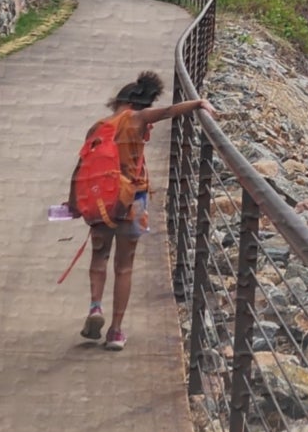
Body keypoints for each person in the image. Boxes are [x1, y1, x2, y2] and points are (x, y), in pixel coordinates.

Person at [78, 70, 212, 350]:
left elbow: (81, 168)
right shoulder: (137, 119)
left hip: (100, 203)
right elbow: (170, 111)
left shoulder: (98, 126)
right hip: (132, 202)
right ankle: (115, 332)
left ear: (118, 101)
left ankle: (94, 307)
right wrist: (199, 103)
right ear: (140, 104)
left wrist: (74, 204)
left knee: (99, 258)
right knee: (124, 267)